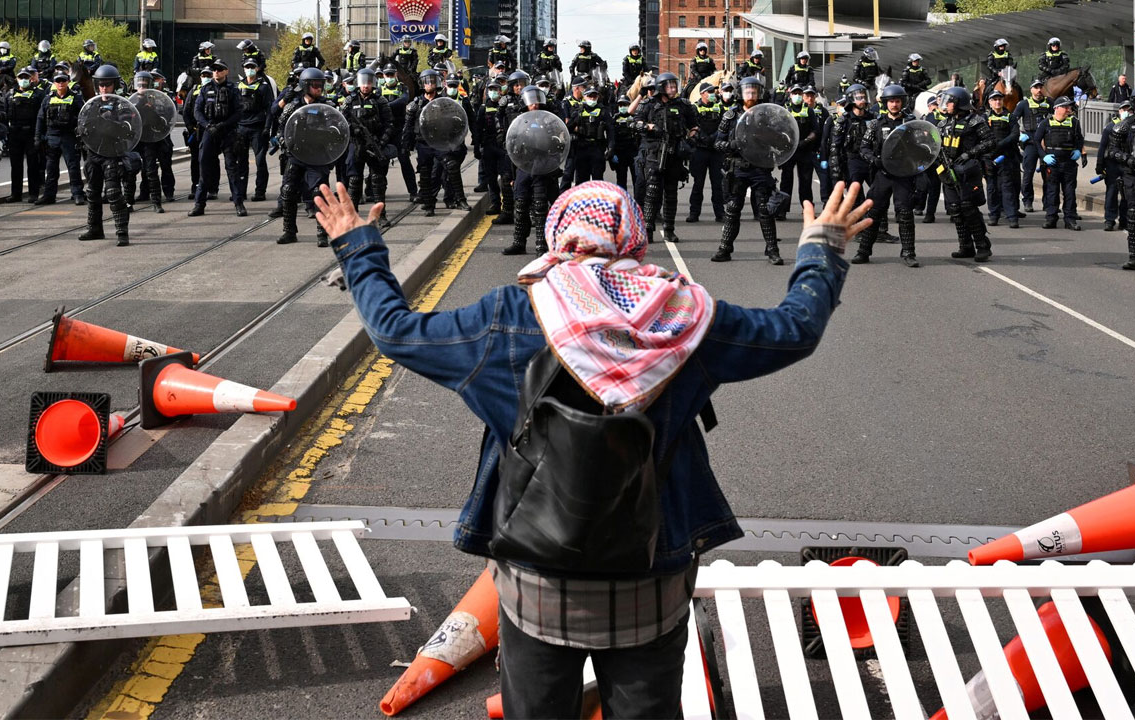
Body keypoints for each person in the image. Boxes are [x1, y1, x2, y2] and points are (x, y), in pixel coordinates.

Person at [315, 175, 866, 720]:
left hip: (536, 581)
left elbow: (393, 329)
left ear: (558, 236)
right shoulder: (686, 319)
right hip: (653, 577)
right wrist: (823, 246)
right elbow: (795, 328)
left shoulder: (506, 317)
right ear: (633, 238)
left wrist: (356, 243)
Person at [712, 75, 785, 263]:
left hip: (760, 168)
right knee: (733, 209)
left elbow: (780, 139)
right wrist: (733, 144)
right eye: (747, 91)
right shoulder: (730, 115)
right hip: (737, 168)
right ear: (740, 93)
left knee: (765, 210)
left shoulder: (767, 115)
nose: (751, 94)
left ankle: (772, 250)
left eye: (754, 91)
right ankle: (724, 249)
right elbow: (718, 143)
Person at [849, 84, 920, 267]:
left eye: (897, 101)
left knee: (905, 214)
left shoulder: (911, 123)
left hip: (904, 175)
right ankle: (863, 252)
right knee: (873, 213)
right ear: (885, 103)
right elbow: (863, 147)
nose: (894, 105)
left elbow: (922, 147)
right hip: (882, 174)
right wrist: (874, 160)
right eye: (891, 101)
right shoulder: (876, 123)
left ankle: (908, 253)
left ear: (902, 102)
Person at [277, 67, 338, 245]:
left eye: (321, 85)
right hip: (296, 155)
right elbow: (281, 128)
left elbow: (338, 130)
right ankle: (289, 231)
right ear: (305, 86)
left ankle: (322, 233)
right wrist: (283, 142)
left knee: (319, 193)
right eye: (315, 85)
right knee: (288, 191)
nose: (319, 88)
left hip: (318, 156)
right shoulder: (292, 107)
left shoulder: (328, 107)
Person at [635, 71, 696, 243]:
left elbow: (694, 125)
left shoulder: (683, 105)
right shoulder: (649, 104)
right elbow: (635, 122)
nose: (673, 88)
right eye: (669, 85)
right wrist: (648, 126)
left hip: (675, 154)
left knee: (671, 194)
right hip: (654, 154)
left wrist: (691, 137)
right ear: (661, 87)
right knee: (652, 193)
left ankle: (669, 229)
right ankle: (648, 230)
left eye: (674, 84)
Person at [500, 84, 562, 255]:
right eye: (531, 102)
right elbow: (511, 149)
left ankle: (542, 246)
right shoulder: (519, 121)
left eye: (537, 101)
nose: (534, 105)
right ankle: (519, 242)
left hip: (542, 166)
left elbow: (558, 143)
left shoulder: (549, 120)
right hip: (523, 167)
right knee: (520, 206)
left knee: (540, 207)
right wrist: (512, 175)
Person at [936, 86, 996, 261]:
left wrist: (969, 153)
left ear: (959, 103)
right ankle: (965, 246)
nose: (946, 105)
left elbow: (990, 141)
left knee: (969, 208)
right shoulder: (943, 123)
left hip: (968, 171)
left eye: (949, 101)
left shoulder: (975, 121)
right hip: (949, 171)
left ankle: (983, 246)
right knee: (955, 209)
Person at [79, 65, 131, 246]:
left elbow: (127, 129)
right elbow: (83, 125)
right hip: (94, 153)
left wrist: (110, 123)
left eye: (107, 85)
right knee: (92, 193)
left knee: (113, 193)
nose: (103, 88)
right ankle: (95, 229)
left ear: (114, 85)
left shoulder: (122, 104)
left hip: (112, 153)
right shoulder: (91, 104)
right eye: (100, 85)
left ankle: (122, 232)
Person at [188, 59, 241, 217]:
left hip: (227, 132)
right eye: (214, 70)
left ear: (226, 72)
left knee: (232, 169)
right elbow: (197, 111)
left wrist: (223, 125)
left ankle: (239, 203)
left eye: (220, 69)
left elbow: (238, 112)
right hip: (209, 132)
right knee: (204, 169)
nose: (217, 72)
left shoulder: (233, 89)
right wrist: (208, 126)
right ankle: (199, 205)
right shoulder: (205, 89)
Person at [342, 67, 392, 215]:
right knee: (354, 180)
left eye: (369, 82)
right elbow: (341, 122)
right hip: (356, 144)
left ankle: (381, 215)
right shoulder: (349, 101)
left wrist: (382, 142)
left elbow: (389, 124)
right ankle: (353, 214)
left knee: (378, 180)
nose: (365, 85)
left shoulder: (380, 101)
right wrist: (353, 129)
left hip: (374, 144)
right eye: (363, 82)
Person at [35, 68, 85, 205]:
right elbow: (40, 118)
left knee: (73, 167)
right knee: (51, 169)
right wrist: (38, 138)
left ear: (68, 82)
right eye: (58, 81)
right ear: (54, 83)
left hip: (69, 137)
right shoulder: (48, 99)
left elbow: (83, 117)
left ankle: (77, 194)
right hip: (52, 137)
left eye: (63, 80)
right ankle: (49, 195)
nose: (61, 83)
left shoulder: (76, 98)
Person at [1035, 95, 1084, 231]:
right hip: (1052, 164)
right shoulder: (1046, 123)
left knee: (1069, 192)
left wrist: (1078, 150)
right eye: (1066, 106)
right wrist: (1044, 156)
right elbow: (1037, 141)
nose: (1069, 109)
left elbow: (1080, 139)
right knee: (1052, 191)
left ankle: (1070, 219)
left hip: (1069, 163)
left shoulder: (1074, 122)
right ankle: (1051, 218)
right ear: (1057, 108)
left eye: (1069, 106)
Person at [403, 69, 447, 217]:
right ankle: (429, 205)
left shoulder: (442, 102)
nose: (429, 84)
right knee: (425, 175)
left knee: (442, 171)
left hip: (439, 143)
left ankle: (449, 198)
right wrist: (405, 145)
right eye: (427, 81)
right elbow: (408, 126)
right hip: (423, 143)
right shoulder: (416, 104)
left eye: (432, 81)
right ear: (422, 84)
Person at [233, 58, 275, 207]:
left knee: (260, 161)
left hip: (258, 128)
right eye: (247, 67)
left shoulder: (263, 87)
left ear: (257, 69)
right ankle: (241, 192)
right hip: (241, 128)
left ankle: (260, 191)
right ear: (243, 69)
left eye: (252, 67)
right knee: (241, 162)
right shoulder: (238, 86)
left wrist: (267, 128)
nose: (249, 69)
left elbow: (270, 110)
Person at [1, 66, 45, 203]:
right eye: (21, 78)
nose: (24, 80)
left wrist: (40, 135)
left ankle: (33, 194)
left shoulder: (38, 94)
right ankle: (16, 194)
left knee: (33, 165)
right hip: (14, 133)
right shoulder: (10, 94)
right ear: (17, 79)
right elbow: (5, 115)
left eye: (26, 77)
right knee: (16, 165)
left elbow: (41, 116)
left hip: (31, 132)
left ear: (31, 79)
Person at [473, 78, 511, 219]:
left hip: (502, 148)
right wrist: (477, 147)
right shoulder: (483, 108)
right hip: (489, 146)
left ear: (501, 91)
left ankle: (508, 206)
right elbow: (477, 129)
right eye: (491, 89)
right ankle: (495, 204)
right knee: (491, 178)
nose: (494, 92)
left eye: (496, 89)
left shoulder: (506, 106)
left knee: (506, 177)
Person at [686, 82, 723, 223]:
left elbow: (723, 126)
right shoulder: (694, 107)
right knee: (698, 184)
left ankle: (720, 213)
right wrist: (702, 137)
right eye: (710, 92)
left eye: (713, 91)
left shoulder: (719, 107)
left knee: (718, 184)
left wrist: (713, 137)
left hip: (715, 150)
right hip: (700, 150)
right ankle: (694, 213)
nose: (713, 94)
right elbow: (691, 126)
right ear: (702, 94)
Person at [983, 89, 1021, 229]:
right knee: (992, 188)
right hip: (989, 157)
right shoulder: (984, 117)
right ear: (990, 102)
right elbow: (981, 135)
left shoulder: (1010, 116)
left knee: (1007, 187)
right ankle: (994, 215)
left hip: (1005, 157)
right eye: (995, 99)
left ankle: (1012, 217)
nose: (997, 102)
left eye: (1000, 99)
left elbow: (1014, 134)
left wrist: (1000, 145)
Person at [1011, 80, 1050, 214]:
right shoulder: (1023, 104)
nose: (1039, 90)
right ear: (1031, 89)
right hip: (1030, 142)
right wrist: (1019, 135)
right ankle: (1027, 201)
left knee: (1048, 175)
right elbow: (1013, 121)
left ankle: (1048, 202)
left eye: (1040, 87)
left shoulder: (1050, 103)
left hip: (1046, 143)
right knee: (1028, 173)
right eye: (1036, 87)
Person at [779, 84, 819, 215]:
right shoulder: (784, 110)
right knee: (786, 181)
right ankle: (782, 210)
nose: (797, 96)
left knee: (806, 182)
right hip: (788, 151)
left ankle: (807, 208)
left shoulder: (808, 110)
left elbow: (815, 130)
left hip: (804, 150)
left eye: (799, 93)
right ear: (790, 95)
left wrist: (806, 141)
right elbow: (777, 128)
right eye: (794, 93)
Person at [379, 64, 415, 201]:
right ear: (383, 76)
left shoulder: (402, 88)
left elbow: (403, 100)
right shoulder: (379, 89)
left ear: (396, 75)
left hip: (399, 129)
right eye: (387, 75)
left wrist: (385, 106)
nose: (389, 77)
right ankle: (375, 190)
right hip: (384, 130)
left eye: (391, 75)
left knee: (404, 160)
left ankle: (413, 192)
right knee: (381, 161)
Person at [1104, 109, 1135, 268]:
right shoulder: (1123, 127)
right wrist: (1128, 159)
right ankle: (1133, 257)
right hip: (1132, 175)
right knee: (1132, 215)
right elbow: (1112, 151)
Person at [829, 84, 872, 196]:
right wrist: (836, 166)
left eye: (864, 97)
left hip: (871, 160)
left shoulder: (873, 118)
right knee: (855, 195)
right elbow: (835, 145)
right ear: (851, 99)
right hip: (852, 160)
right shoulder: (844, 120)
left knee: (878, 195)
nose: (862, 100)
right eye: (859, 97)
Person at [568, 85, 614, 185]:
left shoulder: (603, 112)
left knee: (597, 180)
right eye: (590, 96)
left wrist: (610, 147)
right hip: (582, 148)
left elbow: (611, 131)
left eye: (594, 96)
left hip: (597, 148)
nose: (592, 98)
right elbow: (568, 128)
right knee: (581, 181)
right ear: (584, 97)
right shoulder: (578, 111)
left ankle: (596, 200)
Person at [1097, 100, 1129, 232]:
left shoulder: (1132, 128)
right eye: (1124, 109)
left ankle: (1124, 220)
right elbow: (1102, 146)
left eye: (1130, 110)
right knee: (1111, 192)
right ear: (1119, 111)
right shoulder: (1110, 127)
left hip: (1127, 164)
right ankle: (1109, 220)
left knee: (1127, 194)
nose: (1127, 112)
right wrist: (1100, 165)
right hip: (1112, 164)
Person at [913, 95, 944, 223]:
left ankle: (930, 213)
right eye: (934, 105)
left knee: (935, 186)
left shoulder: (946, 118)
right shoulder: (927, 118)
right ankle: (919, 207)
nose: (936, 107)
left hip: (940, 157)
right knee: (923, 184)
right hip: (926, 156)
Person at [610, 94, 638, 191]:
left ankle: (638, 203)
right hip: (620, 153)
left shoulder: (635, 117)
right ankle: (623, 203)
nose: (622, 107)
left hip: (634, 152)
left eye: (625, 105)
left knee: (637, 180)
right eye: (620, 105)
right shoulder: (614, 119)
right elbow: (611, 137)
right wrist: (612, 154)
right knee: (621, 180)